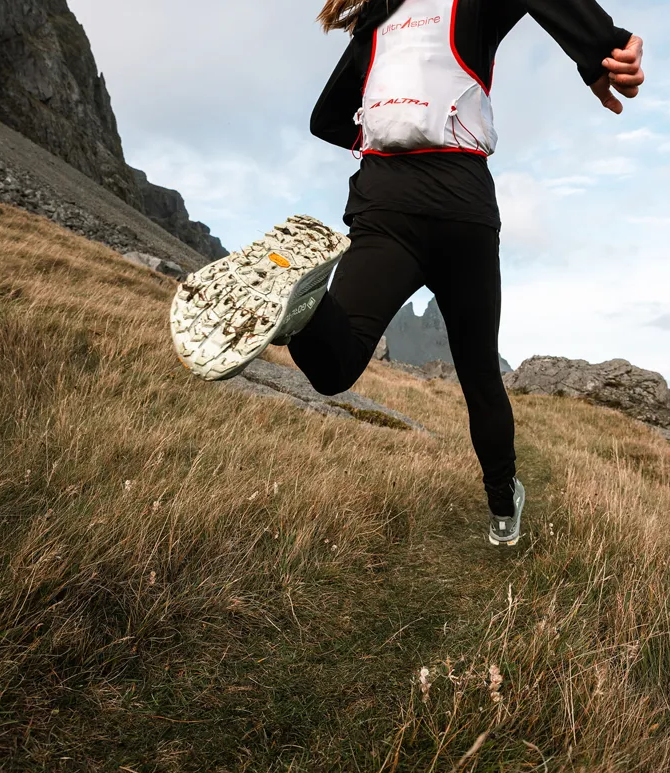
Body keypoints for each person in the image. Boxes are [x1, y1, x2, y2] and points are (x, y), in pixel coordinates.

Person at [171, 0, 644, 548]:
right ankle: (501, 505)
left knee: (334, 367)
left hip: (384, 201)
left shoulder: (373, 26)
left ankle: (302, 301)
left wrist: (375, 143)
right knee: (480, 377)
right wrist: (600, 48)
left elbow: (324, 119)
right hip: (461, 200)